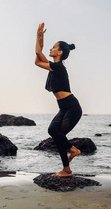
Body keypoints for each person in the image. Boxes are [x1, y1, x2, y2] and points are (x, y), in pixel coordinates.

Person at [35, 22, 82, 178]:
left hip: (72, 107)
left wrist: (39, 37)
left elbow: (38, 55)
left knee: (56, 133)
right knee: (55, 133)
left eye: (54, 47)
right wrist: (40, 37)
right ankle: (66, 170)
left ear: (60, 52)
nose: (51, 49)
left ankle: (73, 151)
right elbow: (37, 58)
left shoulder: (58, 67)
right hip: (63, 107)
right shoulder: (53, 66)